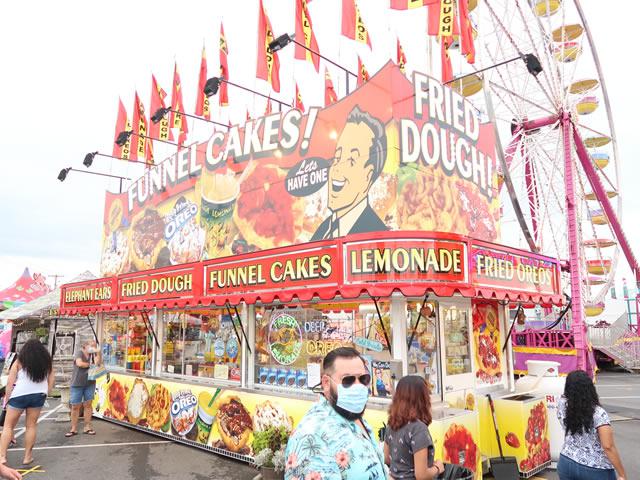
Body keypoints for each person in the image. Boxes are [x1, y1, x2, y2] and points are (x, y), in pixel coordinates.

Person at [285, 347, 386, 479]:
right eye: (348, 380)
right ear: (326, 383)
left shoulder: (353, 416)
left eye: (363, 379)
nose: (358, 386)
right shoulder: (311, 436)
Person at [311, 106, 389, 240]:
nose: (336, 168)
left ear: (368, 176)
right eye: (337, 158)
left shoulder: (376, 234)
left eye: (352, 160)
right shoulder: (322, 231)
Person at [557, 370, 626, 480]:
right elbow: (608, 446)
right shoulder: (598, 413)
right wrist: (622, 474)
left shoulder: (562, 404)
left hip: (566, 461)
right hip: (595, 469)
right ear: (590, 388)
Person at [0, 340, 54, 466]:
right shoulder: (46, 362)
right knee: (31, 426)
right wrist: (46, 393)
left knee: (8, 426)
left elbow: (9, 383)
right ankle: (27, 457)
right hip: (38, 395)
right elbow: (51, 379)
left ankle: (2, 456)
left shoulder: (19, 361)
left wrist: (7, 400)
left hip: (19, 395)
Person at [384, 376, 444, 480]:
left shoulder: (391, 424)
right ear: (423, 398)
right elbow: (421, 475)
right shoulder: (418, 429)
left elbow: (387, 459)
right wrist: (438, 467)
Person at [66, 340, 101, 437]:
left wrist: (97, 352)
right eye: (92, 346)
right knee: (75, 406)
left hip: (90, 382)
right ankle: (73, 428)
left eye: (94, 346)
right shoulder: (79, 352)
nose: (93, 348)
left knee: (88, 404)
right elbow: (79, 363)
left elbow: (98, 363)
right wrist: (91, 365)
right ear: (85, 346)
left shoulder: (93, 354)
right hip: (77, 383)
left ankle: (87, 427)